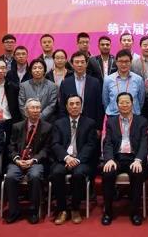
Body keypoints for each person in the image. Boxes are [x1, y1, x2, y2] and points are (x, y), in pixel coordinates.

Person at [101, 92, 148, 226]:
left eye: (127, 102)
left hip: (134, 158)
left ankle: (135, 212)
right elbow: (108, 143)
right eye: (121, 102)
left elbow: (145, 143)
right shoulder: (111, 122)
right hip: (117, 157)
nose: (124, 105)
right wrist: (109, 159)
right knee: (108, 173)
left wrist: (139, 160)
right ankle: (108, 212)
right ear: (117, 105)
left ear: (132, 103)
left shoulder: (142, 121)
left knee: (137, 172)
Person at [50, 95, 99, 225]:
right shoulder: (58, 123)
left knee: (78, 174)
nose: (74, 106)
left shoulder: (90, 123)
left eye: (77, 103)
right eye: (71, 104)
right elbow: (55, 144)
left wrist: (77, 160)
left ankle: (75, 208)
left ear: (81, 106)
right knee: (57, 173)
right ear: (66, 107)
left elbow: (91, 145)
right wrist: (67, 158)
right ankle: (62, 209)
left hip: (82, 161)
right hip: (64, 159)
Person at [4, 98, 53, 224]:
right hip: (18, 161)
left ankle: (33, 211)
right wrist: (17, 159)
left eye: (38, 108)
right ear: (26, 111)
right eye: (33, 108)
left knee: (35, 176)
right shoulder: (17, 126)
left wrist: (34, 160)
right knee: (10, 177)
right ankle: (14, 211)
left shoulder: (47, 127)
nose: (36, 110)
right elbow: (11, 146)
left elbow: (46, 149)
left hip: (36, 162)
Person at [59, 52, 103, 126]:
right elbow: (62, 106)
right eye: (77, 62)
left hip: (90, 122)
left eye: (82, 62)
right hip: (70, 122)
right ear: (72, 64)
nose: (80, 65)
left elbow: (99, 106)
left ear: (86, 64)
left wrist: (98, 127)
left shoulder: (95, 82)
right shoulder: (65, 83)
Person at [103, 49, 145, 117]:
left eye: (126, 61)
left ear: (131, 62)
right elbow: (105, 101)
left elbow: (141, 101)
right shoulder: (108, 79)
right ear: (116, 62)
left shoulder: (138, 79)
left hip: (133, 116)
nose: (123, 64)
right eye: (121, 61)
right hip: (114, 116)